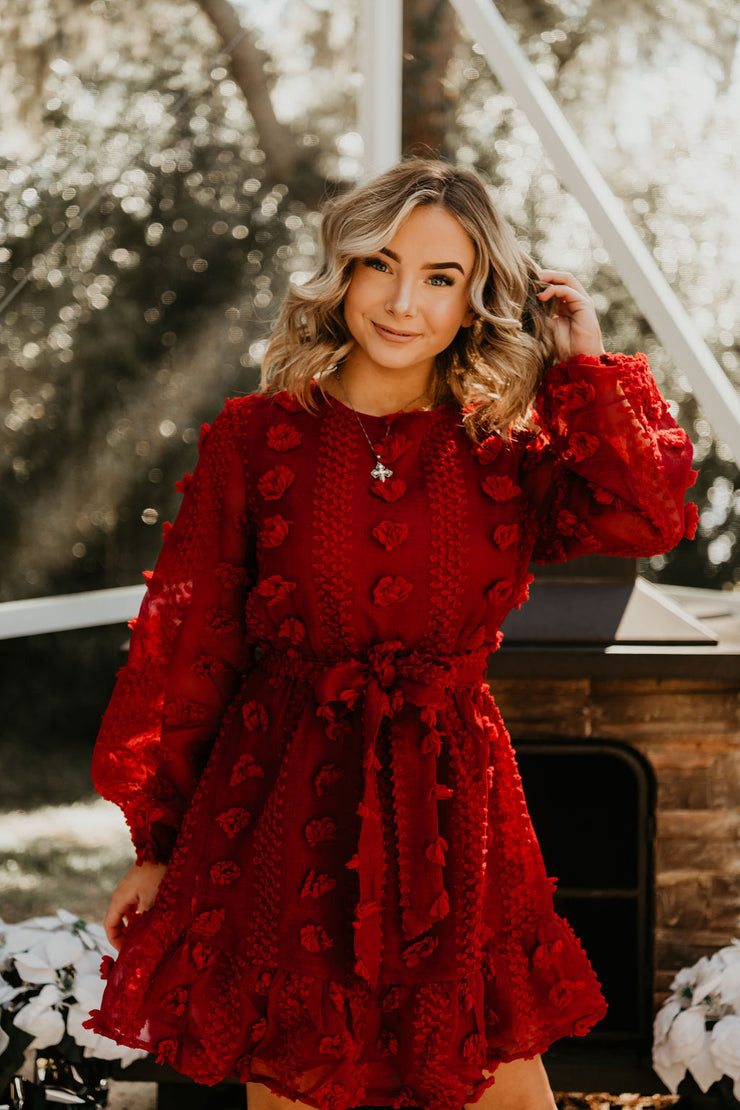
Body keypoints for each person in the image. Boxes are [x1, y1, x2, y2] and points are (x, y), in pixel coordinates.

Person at [83, 158, 697, 1110]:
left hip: (456, 800)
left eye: (441, 277)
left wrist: (584, 366)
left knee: (501, 1082)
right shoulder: (254, 439)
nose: (404, 301)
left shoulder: (508, 451)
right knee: (300, 1074)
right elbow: (191, 651)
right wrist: (158, 841)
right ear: (342, 275)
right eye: (380, 264)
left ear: (474, 299)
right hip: (283, 794)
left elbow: (646, 515)